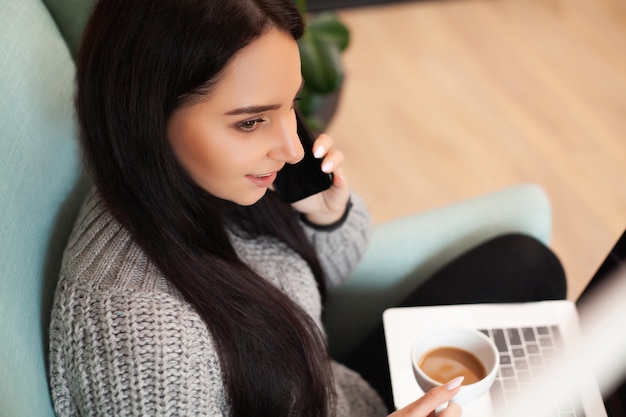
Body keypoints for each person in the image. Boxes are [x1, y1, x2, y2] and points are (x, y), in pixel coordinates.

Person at [48, 0, 566, 416]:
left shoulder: (198, 182)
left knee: (527, 265)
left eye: (289, 105)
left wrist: (325, 213)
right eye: (250, 122)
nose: (293, 147)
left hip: (329, 389)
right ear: (145, 116)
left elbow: (319, 282)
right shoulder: (144, 338)